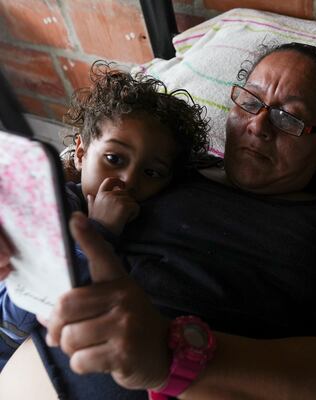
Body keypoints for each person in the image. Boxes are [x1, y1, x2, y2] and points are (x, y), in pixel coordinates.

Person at [0, 43, 316, 399]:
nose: (258, 125)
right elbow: (82, 174)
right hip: (51, 359)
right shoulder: (169, 168)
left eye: (289, 117)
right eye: (249, 101)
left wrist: (174, 355)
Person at [0, 61, 209, 371]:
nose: (128, 180)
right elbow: (14, 317)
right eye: (114, 158)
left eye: (151, 172)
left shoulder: (148, 223)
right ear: (81, 154)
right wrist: (98, 231)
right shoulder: (49, 212)